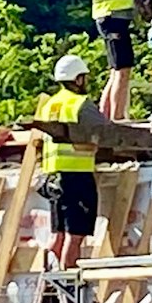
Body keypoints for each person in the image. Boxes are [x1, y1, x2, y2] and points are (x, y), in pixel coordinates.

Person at [33, 54, 115, 271]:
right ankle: (69, 286)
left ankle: (51, 280)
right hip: (76, 176)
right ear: (77, 79)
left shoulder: (49, 104)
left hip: (53, 177)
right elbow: (107, 131)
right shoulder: (80, 104)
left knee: (58, 235)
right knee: (74, 236)